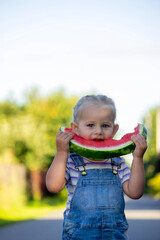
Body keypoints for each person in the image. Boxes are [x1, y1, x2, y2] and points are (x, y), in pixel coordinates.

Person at [46, 94, 147, 240]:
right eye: (90, 125)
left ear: (114, 129)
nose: (98, 131)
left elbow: (135, 192)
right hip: (78, 235)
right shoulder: (71, 162)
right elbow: (53, 187)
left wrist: (138, 158)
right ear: (75, 128)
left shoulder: (118, 163)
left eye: (105, 125)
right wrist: (61, 152)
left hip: (114, 235)